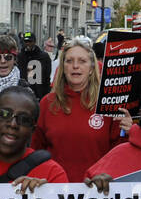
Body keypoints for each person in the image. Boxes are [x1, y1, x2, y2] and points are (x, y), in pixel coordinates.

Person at [31, 36, 127, 182]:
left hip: (97, 193)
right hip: (55, 191)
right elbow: (36, 152)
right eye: (69, 61)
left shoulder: (108, 104)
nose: (75, 66)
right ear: (63, 68)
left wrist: (128, 130)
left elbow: (118, 154)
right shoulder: (47, 103)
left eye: (82, 61)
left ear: (91, 68)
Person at [17, 30, 53, 100]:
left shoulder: (44, 56)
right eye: (25, 41)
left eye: (30, 41)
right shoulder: (20, 56)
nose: (28, 44)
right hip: (23, 94)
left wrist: (46, 93)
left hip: (40, 93)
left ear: (34, 42)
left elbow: (47, 76)